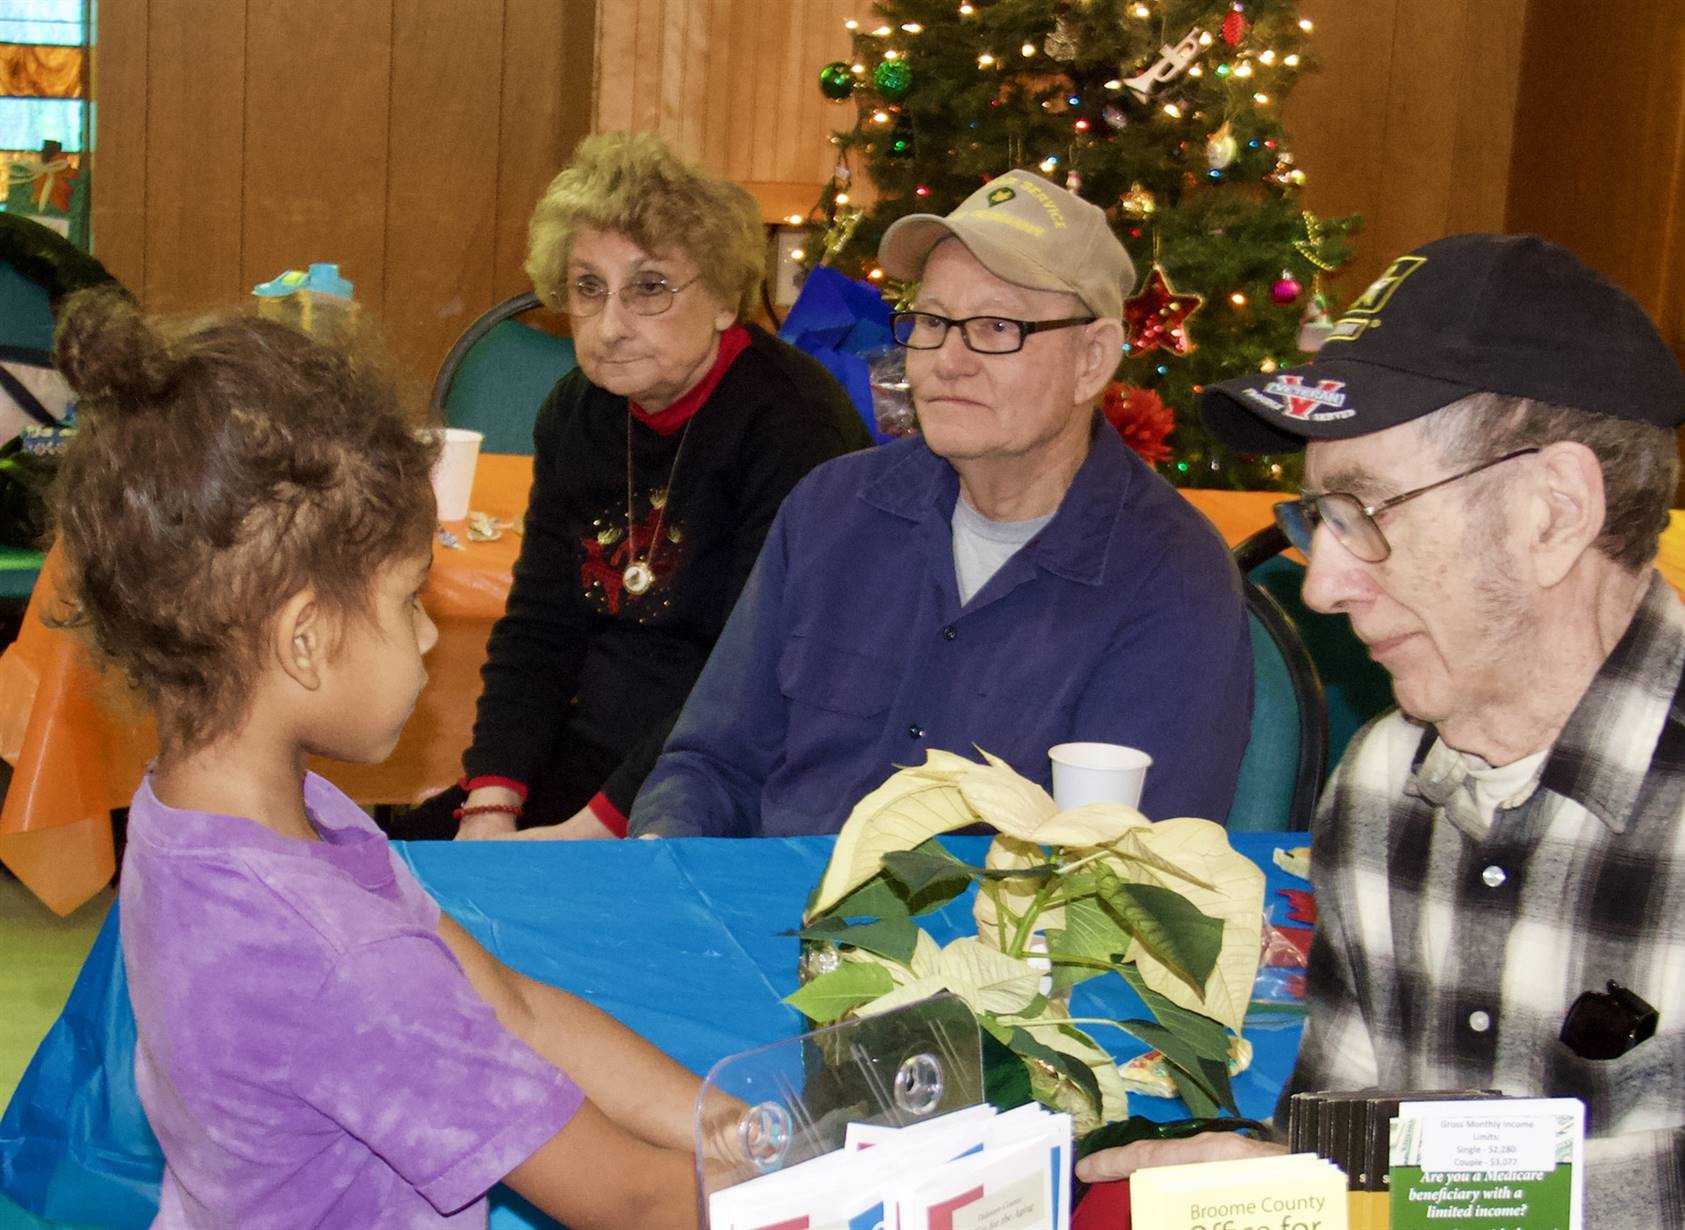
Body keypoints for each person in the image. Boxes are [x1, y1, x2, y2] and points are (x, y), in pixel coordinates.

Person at [1079, 234, 1685, 1227]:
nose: (1321, 582)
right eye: (1318, 520)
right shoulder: (1387, 776)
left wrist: (1451, 1190)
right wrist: (1280, 1181)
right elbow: (1360, 1150)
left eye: (1364, 513)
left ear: (1553, 513)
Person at [49, 288, 707, 1226]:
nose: (433, 636)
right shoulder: (342, 964)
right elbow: (637, 1200)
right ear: (307, 639)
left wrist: (748, 1126)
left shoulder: (228, 815)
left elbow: (512, 1008)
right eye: (409, 600)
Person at [523, 169, 1252, 841]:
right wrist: (669, 866)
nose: (948, 358)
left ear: (1092, 359)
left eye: (998, 328)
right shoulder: (831, 511)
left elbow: (1133, 871)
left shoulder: (1172, 576)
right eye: (932, 321)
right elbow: (710, 763)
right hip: (757, 928)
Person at [398, 132, 869, 841]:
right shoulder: (577, 412)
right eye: (589, 288)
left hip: (730, 782)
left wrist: (588, 831)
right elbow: (540, 627)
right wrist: (491, 803)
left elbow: (750, 676)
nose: (611, 325)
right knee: (402, 874)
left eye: (648, 287)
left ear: (721, 298)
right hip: (593, 755)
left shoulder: (793, 427)